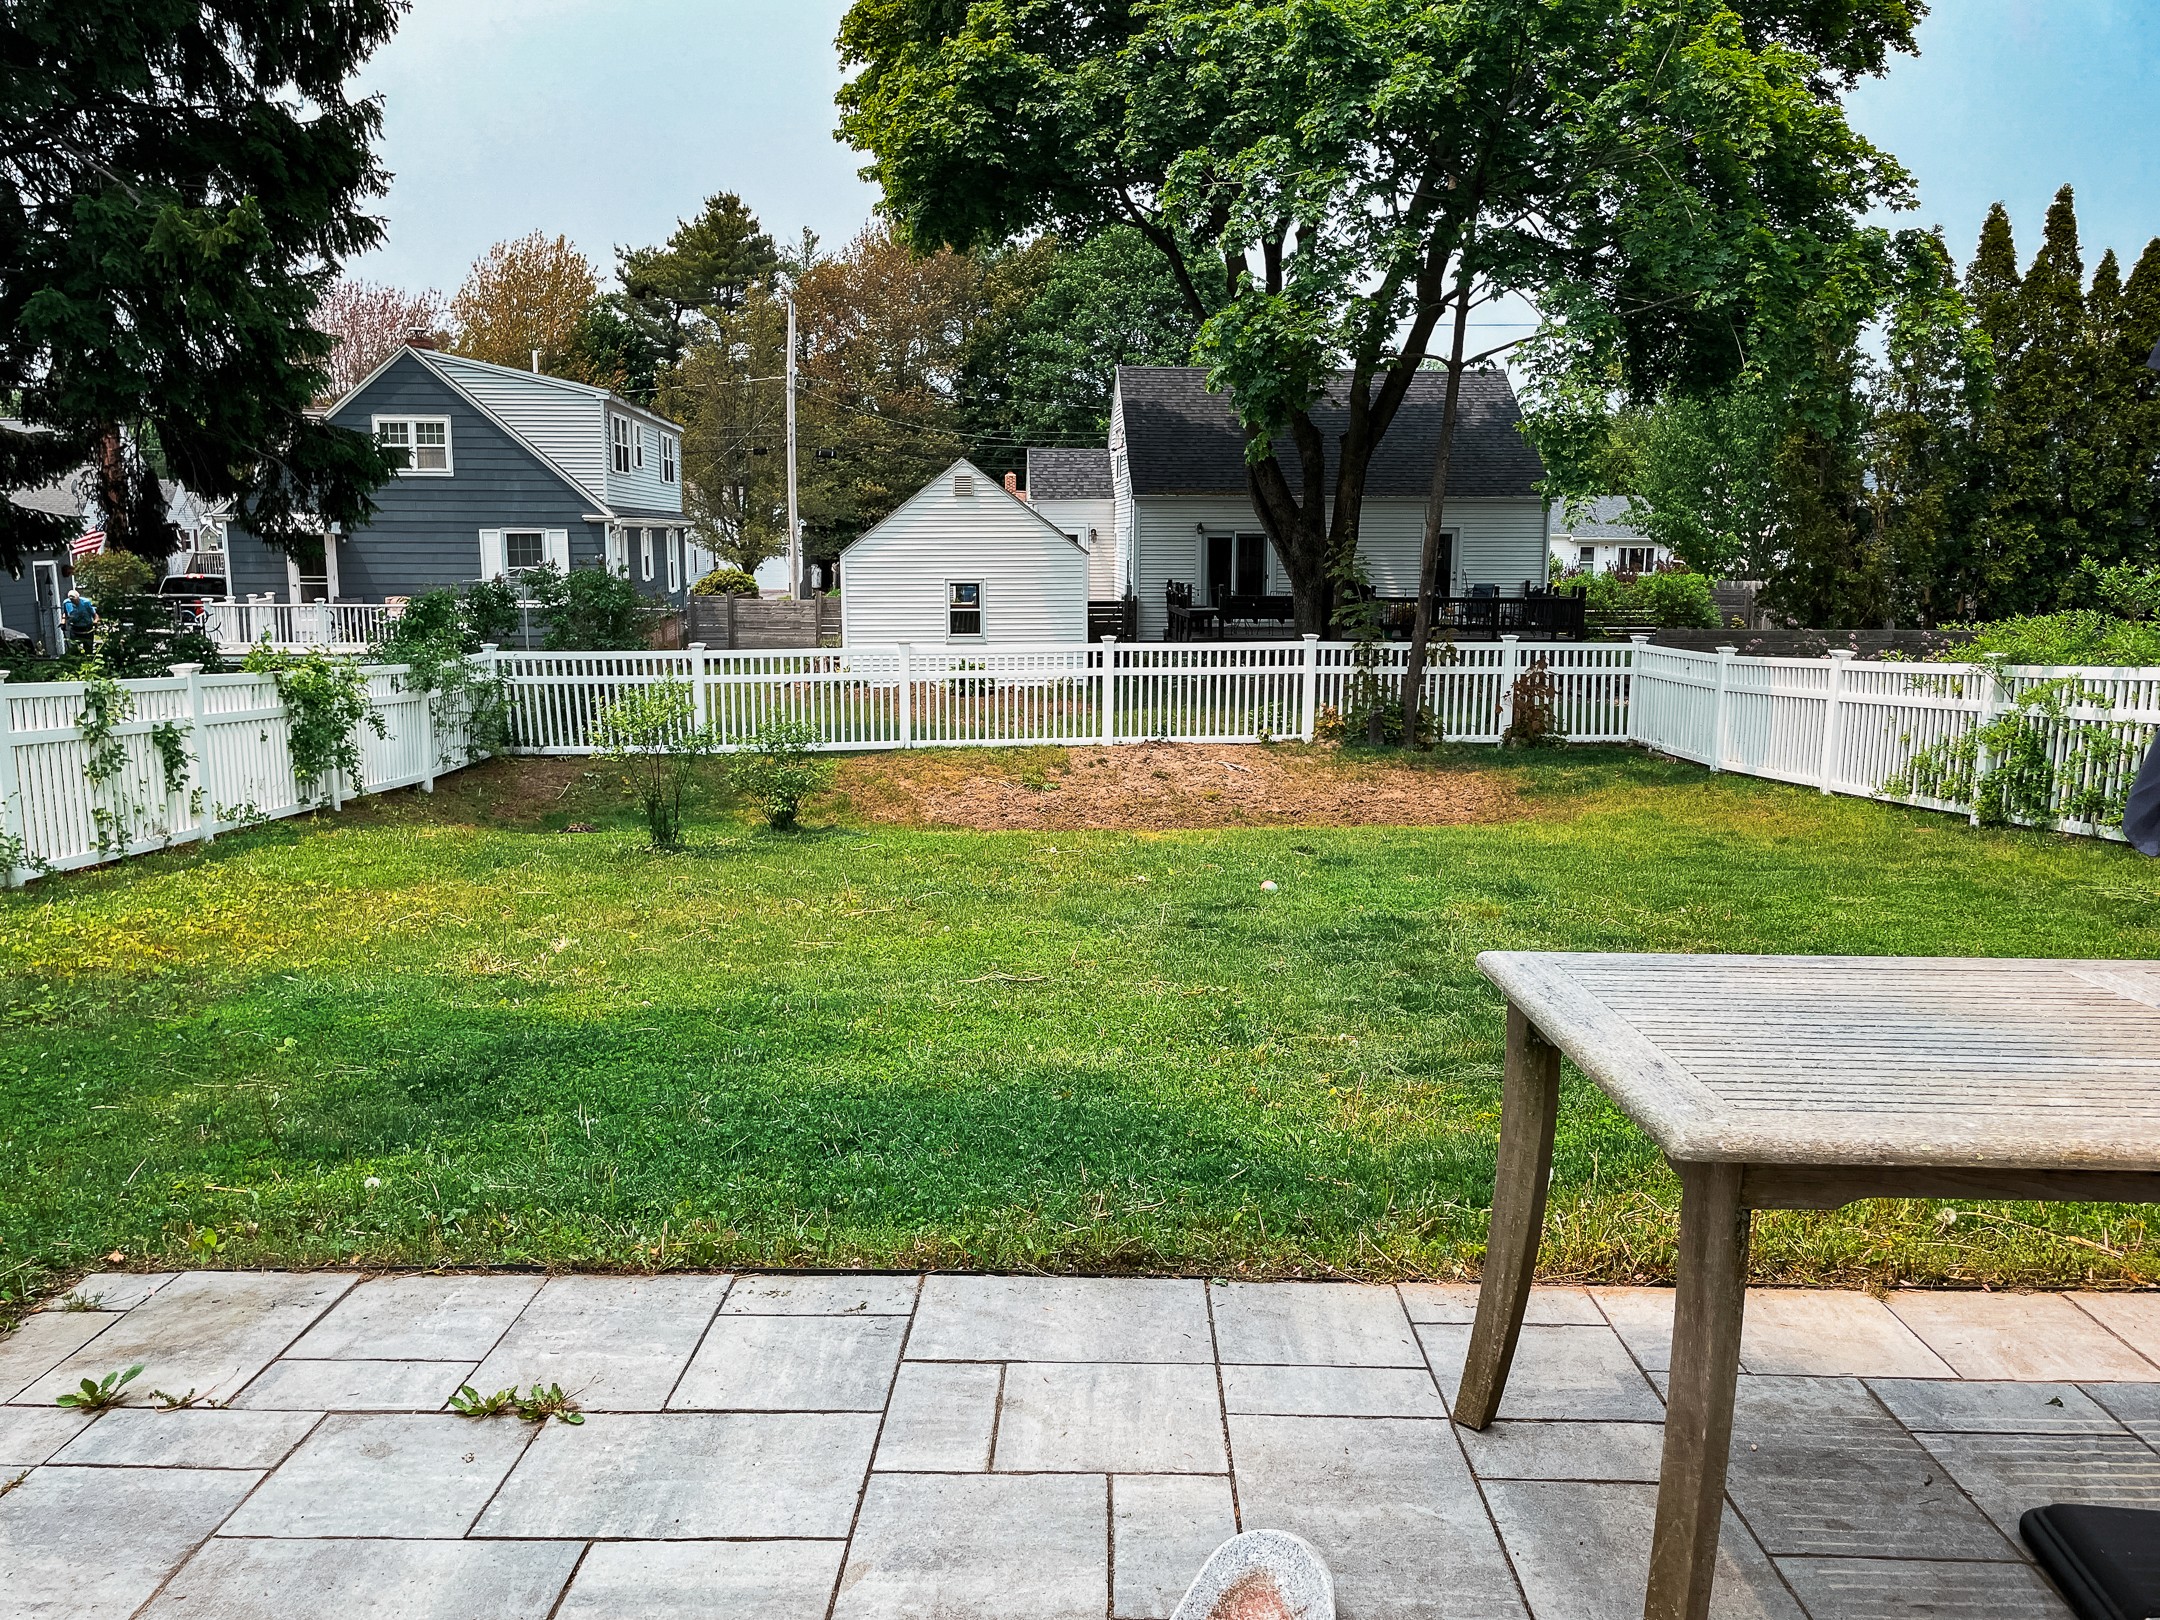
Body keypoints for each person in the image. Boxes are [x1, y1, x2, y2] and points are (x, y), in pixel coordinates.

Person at [61, 587, 97, 654]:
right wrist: (63, 622)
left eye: (75, 599)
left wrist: (95, 621)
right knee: (75, 649)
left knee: (88, 649)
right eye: (71, 600)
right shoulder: (66, 603)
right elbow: (65, 614)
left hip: (87, 629)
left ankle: (88, 662)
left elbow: (94, 614)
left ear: (78, 597)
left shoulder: (86, 602)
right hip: (75, 629)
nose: (73, 601)